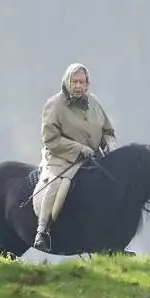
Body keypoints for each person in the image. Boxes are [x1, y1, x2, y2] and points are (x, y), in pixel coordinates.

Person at [32, 62, 117, 252]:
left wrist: (110, 144)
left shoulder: (94, 103)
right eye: (74, 81)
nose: (78, 86)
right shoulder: (54, 104)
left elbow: (108, 130)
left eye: (82, 82)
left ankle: (113, 238)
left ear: (87, 84)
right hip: (61, 158)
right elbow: (50, 138)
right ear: (67, 82)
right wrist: (77, 148)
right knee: (56, 185)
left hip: (94, 157)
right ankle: (42, 231)